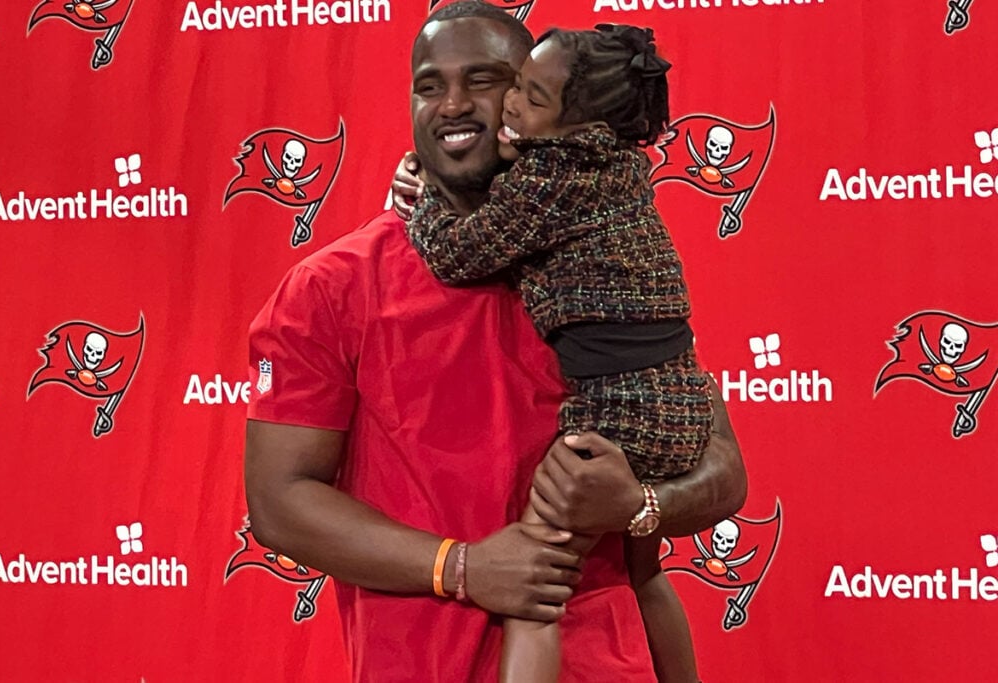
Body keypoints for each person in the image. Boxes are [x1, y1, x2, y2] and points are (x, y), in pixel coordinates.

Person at [244, 2, 746, 682]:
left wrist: (639, 505)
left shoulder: (601, 262)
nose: (453, 104)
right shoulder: (330, 288)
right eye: (429, 85)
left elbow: (722, 471)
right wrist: (462, 567)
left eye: (483, 80)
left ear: (541, 106)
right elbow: (280, 502)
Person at [401, 23, 707, 682]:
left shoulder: (547, 179)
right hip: (674, 399)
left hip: (620, 411)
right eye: (516, 87)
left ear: (575, 124)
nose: (510, 105)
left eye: (529, 96)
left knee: (532, 579)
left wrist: (420, 201)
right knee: (644, 571)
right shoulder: (616, 160)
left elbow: (458, 253)